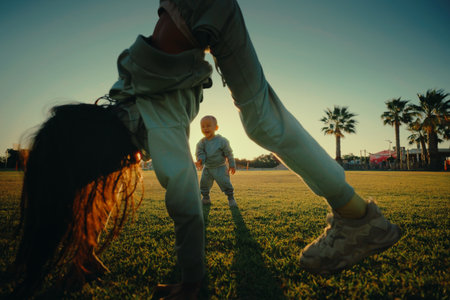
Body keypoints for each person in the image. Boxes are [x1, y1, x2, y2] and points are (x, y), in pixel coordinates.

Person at [195, 115, 237, 206]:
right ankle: (206, 198)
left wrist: (232, 165)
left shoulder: (222, 141)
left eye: (208, 126)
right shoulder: (201, 143)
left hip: (220, 167)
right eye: (203, 126)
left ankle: (231, 198)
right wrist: (200, 161)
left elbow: (229, 153)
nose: (205, 128)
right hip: (208, 168)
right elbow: (200, 153)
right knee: (204, 184)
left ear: (216, 127)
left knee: (226, 183)